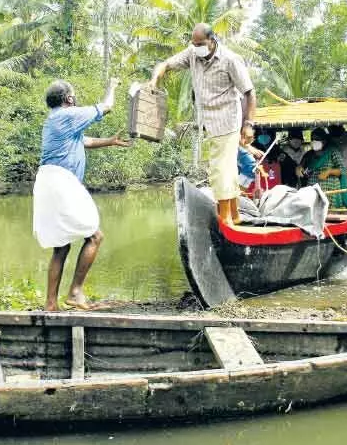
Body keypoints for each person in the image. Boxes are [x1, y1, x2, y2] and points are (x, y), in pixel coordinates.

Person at [32, 78, 130, 312]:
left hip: (47, 181)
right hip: (62, 180)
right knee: (95, 236)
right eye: (73, 95)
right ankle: (75, 292)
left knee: (61, 245)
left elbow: (83, 141)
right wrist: (112, 87)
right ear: (69, 99)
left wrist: (110, 141)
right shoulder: (68, 115)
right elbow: (106, 106)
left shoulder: (54, 120)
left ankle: (51, 303)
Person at [149, 22, 256, 225]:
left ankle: (224, 219)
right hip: (209, 122)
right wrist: (154, 81)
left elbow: (250, 92)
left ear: (212, 41)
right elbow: (166, 64)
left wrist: (249, 123)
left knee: (220, 168)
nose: (196, 46)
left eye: (200, 43)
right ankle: (235, 214)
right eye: (194, 43)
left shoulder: (230, 60)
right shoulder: (192, 53)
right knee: (228, 168)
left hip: (228, 120)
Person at [298, 128, 344, 205]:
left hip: (329, 192)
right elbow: (301, 167)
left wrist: (329, 172)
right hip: (312, 192)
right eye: (312, 139)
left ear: (324, 141)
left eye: (317, 139)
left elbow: (342, 170)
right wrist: (298, 168)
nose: (314, 141)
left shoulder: (333, 152)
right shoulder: (309, 154)